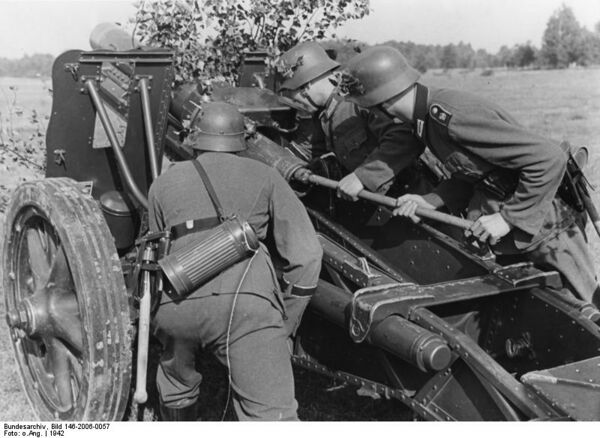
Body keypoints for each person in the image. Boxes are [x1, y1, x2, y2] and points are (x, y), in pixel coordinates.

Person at [341, 45, 599, 308]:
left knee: (586, 313)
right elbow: (477, 173)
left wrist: (508, 219)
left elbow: (548, 158)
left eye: (370, 109)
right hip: (511, 231)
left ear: (384, 102)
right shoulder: (426, 121)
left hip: (547, 230)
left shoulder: (451, 116)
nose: (373, 115)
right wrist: (431, 200)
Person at [148, 102, 323, 421]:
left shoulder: (163, 183)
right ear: (241, 139)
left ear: (194, 138)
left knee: (176, 385)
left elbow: (156, 249)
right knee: (271, 415)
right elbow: (307, 255)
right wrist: (286, 319)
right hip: (245, 305)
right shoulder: (266, 175)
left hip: (176, 302)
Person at [277, 41, 426, 200]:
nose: (298, 103)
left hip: (411, 197)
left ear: (306, 87)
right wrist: (278, 161)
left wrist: (362, 177)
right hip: (375, 200)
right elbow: (307, 148)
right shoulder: (323, 113)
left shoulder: (359, 100)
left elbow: (404, 137)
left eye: (295, 97)